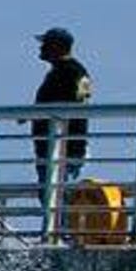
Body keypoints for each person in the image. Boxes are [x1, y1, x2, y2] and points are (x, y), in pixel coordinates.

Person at [31, 26, 93, 196]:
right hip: (54, 146)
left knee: (56, 197)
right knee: (51, 195)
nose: (41, 48)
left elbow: (75, 104)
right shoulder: (64, 71)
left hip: (64, 147)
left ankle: (61, 223)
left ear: (57, 46)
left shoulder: (71, 72)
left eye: (45, 44)